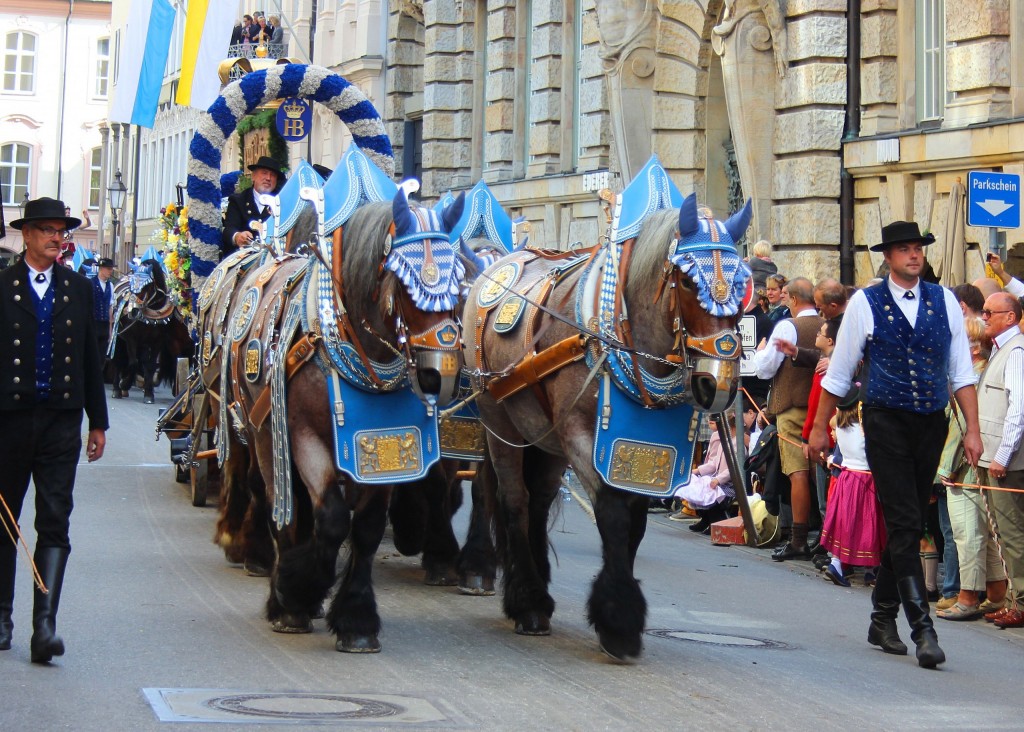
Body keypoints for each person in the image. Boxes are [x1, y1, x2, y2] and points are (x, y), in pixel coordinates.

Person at [808, 220, 982, 669]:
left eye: (918, 248)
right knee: (905, 521)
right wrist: (816, 427)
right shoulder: (866, 302)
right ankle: (923, 630)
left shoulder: (944, 300)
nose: (913, 255)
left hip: (931, 423)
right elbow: (841, 372)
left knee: (908, 522)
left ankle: (881, 617)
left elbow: (961, 373)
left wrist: (975, 431)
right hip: (884, 420)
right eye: (904, 249)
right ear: (888, 256)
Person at [0, 197, 109, 663]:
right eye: (45, 229)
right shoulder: (2, 286)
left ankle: (44, 626)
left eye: (60, 229)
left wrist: (97, 422)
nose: (55, 237)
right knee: (5, 520)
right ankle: (1, 616)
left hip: (61, 422)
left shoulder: (78, 289)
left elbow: (90, 358)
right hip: (9, 421)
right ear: (25, 235)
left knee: (55, 521)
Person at [935, 315, 1007, 620]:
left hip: (965, 468)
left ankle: (967, 597)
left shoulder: (971, 381)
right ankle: (996, 594)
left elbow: (961, 431)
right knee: (986, 534)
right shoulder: (980, 375)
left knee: (968, 533)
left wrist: (945, 471)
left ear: (973, 348)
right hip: (978, 465)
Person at [752, 277, 823, 561]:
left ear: (793, 299)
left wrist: (758, 355)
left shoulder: (787, 326)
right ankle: (825, 535)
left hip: (792, 408)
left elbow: (766, 369)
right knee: (822, 474)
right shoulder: (825, 324)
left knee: (798, 474)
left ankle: (798, 539)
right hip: (819, 407)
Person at [973, 292, 1024, 628]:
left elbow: (1018, 408)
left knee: (1013, 533)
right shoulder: (1000, 349)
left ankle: (1020, 602)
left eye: (990, 312)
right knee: (1002, 532)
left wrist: (1003, 455)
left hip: (1005, 461)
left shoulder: (1016, 352)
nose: (984, 316)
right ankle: (1013, 599)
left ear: (1010, 316)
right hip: (992, 456)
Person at [819, 399, 887, 588]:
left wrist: (833, 458)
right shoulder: (863, 427)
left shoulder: (841, 425)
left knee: (844, 524)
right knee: (869, 524)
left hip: (847, 477)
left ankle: (838, 564)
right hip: (865, 478)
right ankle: (868, 570)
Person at [670, 415, 735, 534]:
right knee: (699, 486)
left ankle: (715, 522)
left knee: (709, 491)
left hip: (730, 484)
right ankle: (706, 519)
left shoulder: (735, 445)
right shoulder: (724, 442)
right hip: (718, 478)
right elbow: (714, 463)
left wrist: (718, 480)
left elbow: (733, 469)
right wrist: (697, 471)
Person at [221, 156, 287, 256]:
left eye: (272, 175)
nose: (268, 178)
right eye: (264, 173)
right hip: (244, 259)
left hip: (274, 258)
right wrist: (237, 236)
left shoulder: (282, 203)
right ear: (253, 176)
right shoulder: (239, 200)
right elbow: (229, 229)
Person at [92, 257, 114, 358]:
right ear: (101, 268)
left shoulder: (110, 285)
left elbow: (110, 308)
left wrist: (110, 330)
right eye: (108, 269)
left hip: (104, 324)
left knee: (102, 355)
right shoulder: (90, 283)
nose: (111, 271)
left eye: (111, 269)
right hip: (93, 324)